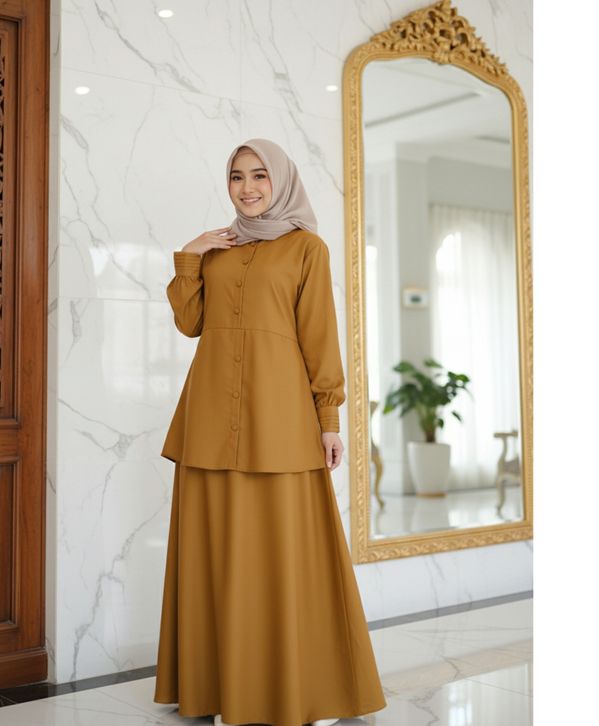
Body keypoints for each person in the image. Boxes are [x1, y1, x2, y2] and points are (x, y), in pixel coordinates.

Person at [154, 138, 387, 726]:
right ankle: (215, 689)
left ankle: (308, 689)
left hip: (281, 421)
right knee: (215, 557)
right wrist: (191, 254)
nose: (248, 187)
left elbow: (320, 337)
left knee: (288, 557)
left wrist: (328, 419)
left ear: (280, 180)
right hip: (209, 422)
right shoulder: (219, 250)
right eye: (237, 177)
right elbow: (190, 322)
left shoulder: (307, 248)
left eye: (259, 175)